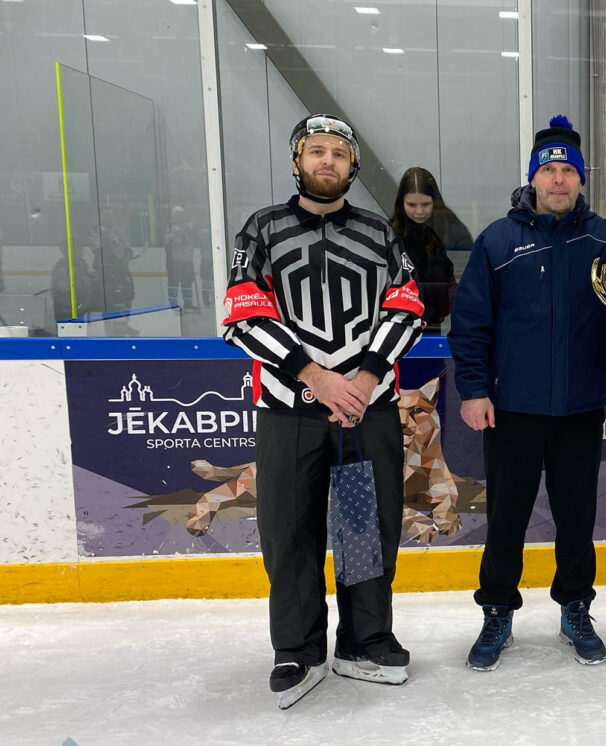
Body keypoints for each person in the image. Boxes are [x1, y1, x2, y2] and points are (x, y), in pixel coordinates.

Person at [222, 114, 425, 709]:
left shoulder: (379, 232)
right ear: (297, 162)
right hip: (289, 409)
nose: (327, 160)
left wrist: (362, 379)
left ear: (352, 166)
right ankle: (297, 648)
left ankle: (364, 640)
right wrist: (315, 377)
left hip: (366, 407)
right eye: (316, 151)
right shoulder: (262, 229)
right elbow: (241, 315)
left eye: (339, 152)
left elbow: (407, 308)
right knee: (289, 529)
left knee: (367, 526)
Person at [448, 115, 606, 671]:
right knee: (506, 518)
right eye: (548, 170)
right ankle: (497, 609)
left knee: (577, 517)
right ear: (533, 177)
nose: (558, 179)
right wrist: (474, 389)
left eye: (568, 171)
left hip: (581, 407)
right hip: (512, 410)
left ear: (580, 179)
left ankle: (576, 607)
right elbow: (470, 323)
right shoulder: (497, 240)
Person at [389, 167, 473, 332]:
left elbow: (466, 276)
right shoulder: (391, 233)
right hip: (398, 319)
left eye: (426, 204)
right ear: (401, 203)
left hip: (441, 321)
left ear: (435, 201)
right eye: (411, 204)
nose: (419, 211)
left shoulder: (453, 231)